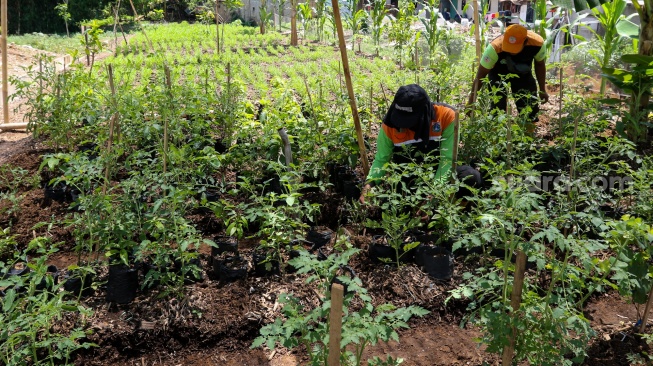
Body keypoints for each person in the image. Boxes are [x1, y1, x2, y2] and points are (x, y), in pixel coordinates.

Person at [359, 84, 482, 204]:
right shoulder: (390, 124)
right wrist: (369, 185)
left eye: (408, 121)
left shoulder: (446, 116)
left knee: (471, 177)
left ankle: (451, 211)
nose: (402, 126)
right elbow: (381, 159)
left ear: (424, 113)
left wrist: (433, 194)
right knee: (392, 209)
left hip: (440, 177)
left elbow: (447, 160)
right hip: (408, 181)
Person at [467, 24, 549, 133]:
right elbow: (480, 76)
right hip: (498, 73)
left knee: (529, 104)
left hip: (523, 73)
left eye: (515, 48)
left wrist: (542, 89)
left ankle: (528, 136)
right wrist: (471, 101)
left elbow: (539, 64)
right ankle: (497, 139)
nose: (511, 51)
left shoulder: (537, 43)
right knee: (497, 106)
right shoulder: (495, 48)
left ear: (525, 42)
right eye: (508, 47)